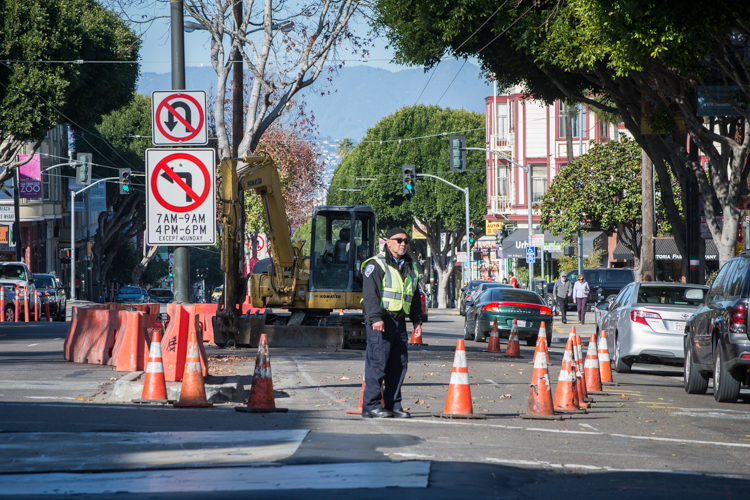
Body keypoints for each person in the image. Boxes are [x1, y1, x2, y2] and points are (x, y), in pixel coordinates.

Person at [360, 227, 423, 418]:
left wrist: (417, 321)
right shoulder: (376, 264)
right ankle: (370, 406)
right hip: (382, 321)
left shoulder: (410, 267)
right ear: (388, 242)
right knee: (378, 364)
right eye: (398, 240)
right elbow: (370, 295)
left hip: (399, 321)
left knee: (398, 364)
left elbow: (413, 296)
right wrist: (376, 318)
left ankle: (393, 404)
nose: (403, 244)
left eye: (406, 241)